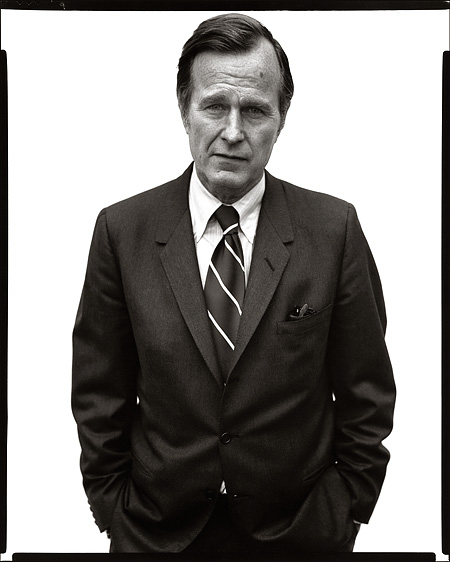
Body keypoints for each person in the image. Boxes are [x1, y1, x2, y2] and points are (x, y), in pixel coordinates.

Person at [72, 12, 395, 554]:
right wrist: (113, 509)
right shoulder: (121, 232)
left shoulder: (333, 230)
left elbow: (368, 392)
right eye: (215, 106)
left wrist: (344, 509)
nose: (233, 132)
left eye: (255, 110)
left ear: (282, 118)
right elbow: (98, 394)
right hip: (155, 535)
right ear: (184, 109)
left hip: (300, 535)